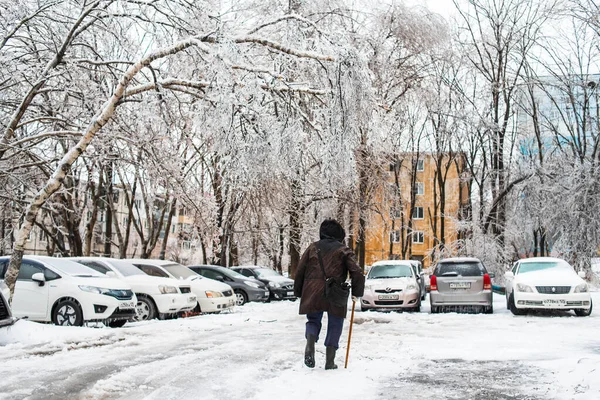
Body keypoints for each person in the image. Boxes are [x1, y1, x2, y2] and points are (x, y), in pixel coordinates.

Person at [294, 219, 365, 370]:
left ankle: (310, 344)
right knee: (336, 322)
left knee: (313, 320)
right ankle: (330, 361)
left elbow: (300, 269)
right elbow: (357, 271)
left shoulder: (312, 248)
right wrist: (356, 292)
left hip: (312, 290)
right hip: (336, 291)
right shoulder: (343, 250)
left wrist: (299, 291)